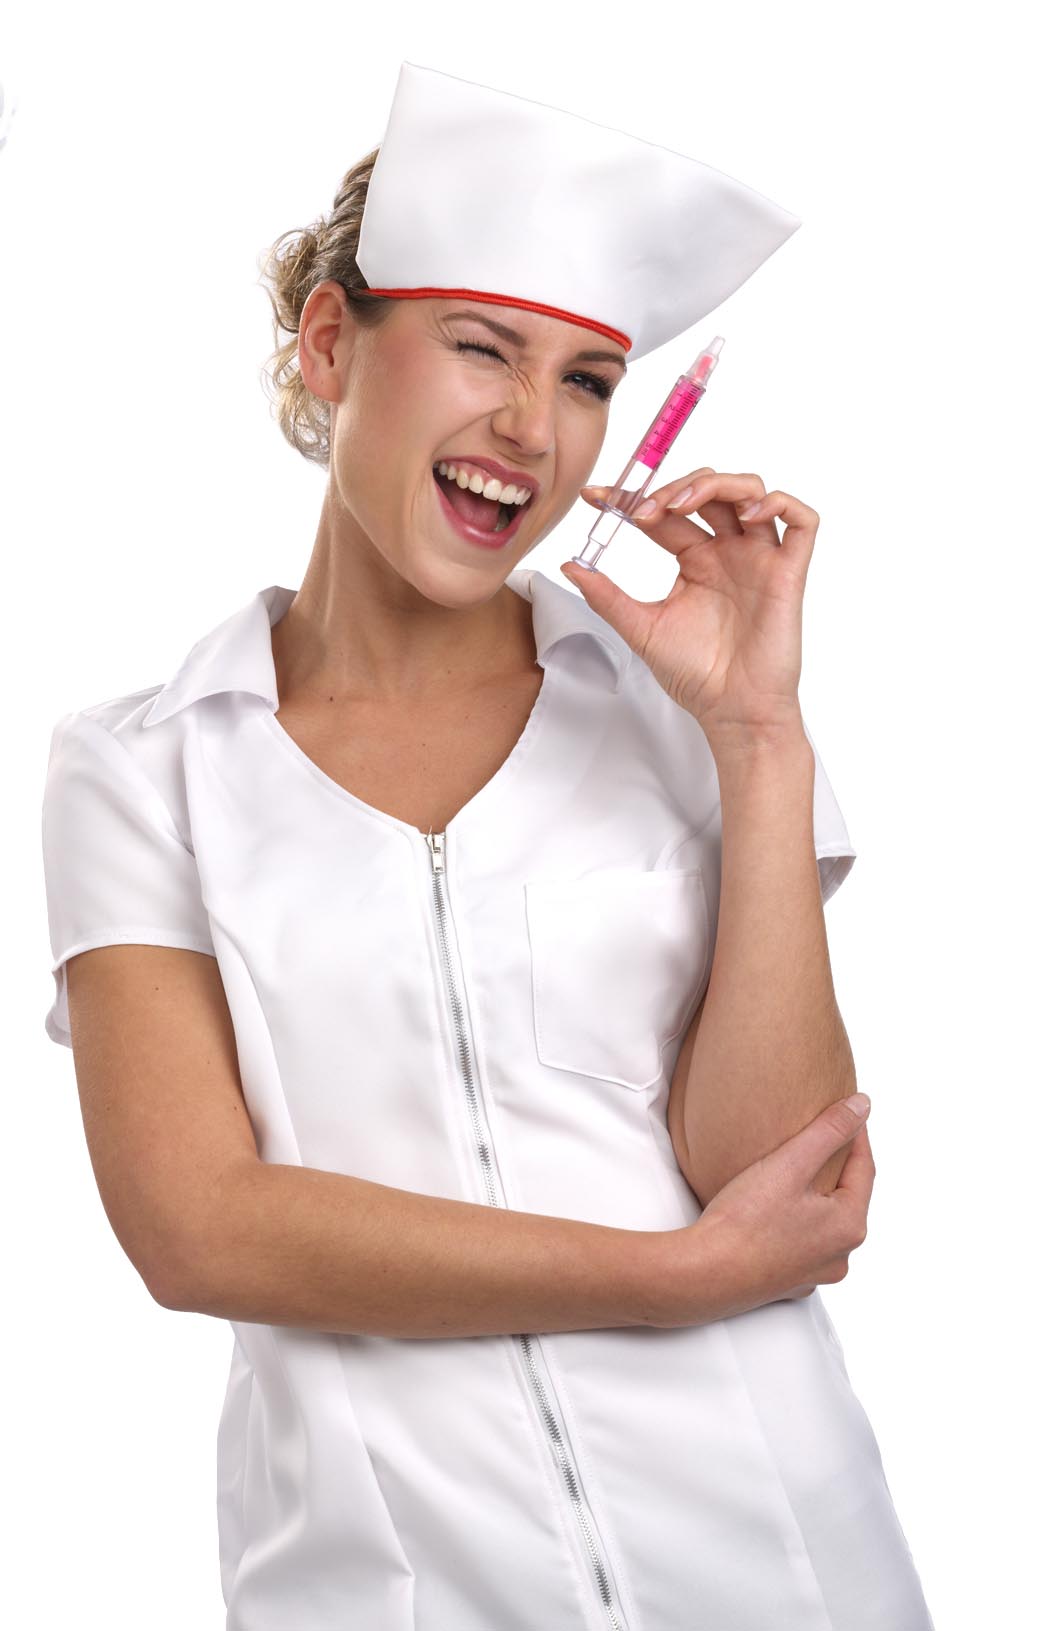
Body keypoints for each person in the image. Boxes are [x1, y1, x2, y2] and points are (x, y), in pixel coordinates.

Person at [40, 61, 934, 1630]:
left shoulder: (677, 721)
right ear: (331, 343)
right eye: (480, 348)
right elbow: (198, 1227)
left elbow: (781, 1183)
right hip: (386, 1587)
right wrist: (668, 1275)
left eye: (588, 379)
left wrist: (757, 739)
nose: (531, 428)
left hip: (781, 1562)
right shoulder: (144, 768)